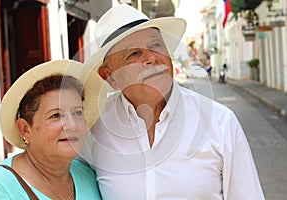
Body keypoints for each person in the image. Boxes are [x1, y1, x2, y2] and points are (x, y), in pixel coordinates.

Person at [80, 3, 265, 200]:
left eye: (156, 45)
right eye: (133, 53)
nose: (152, 58)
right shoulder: (92, 127)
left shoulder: (220, 123)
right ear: (110, 77)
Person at [0, 60, 107, 199]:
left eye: (78, 113)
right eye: (56, 115)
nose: (72, 125)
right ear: (25, 129)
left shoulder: (88, 176)